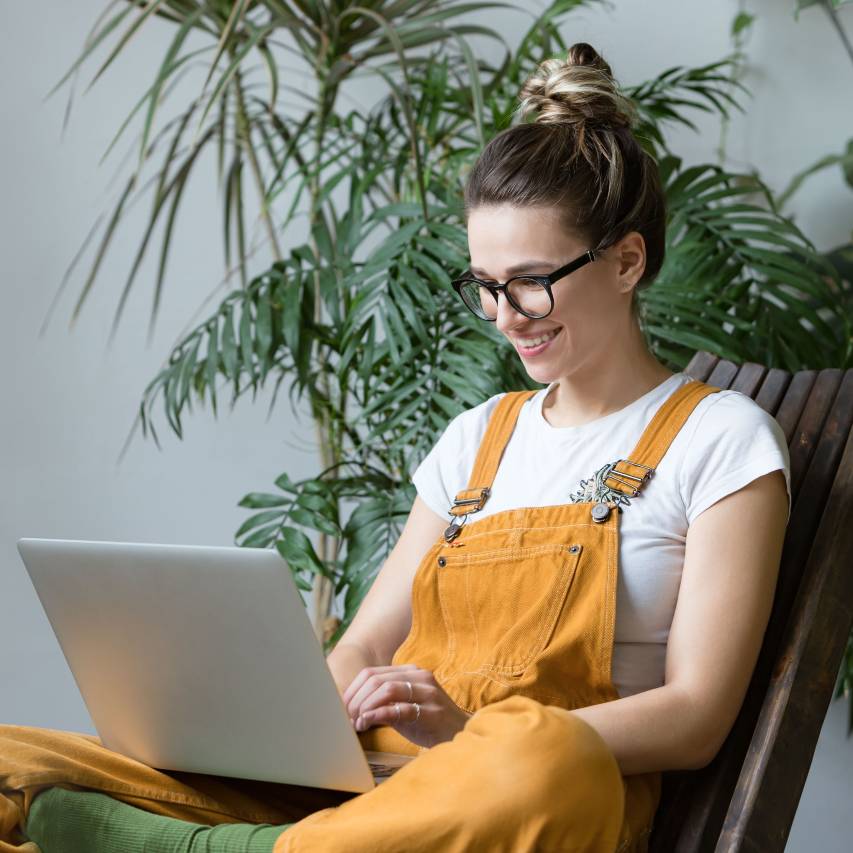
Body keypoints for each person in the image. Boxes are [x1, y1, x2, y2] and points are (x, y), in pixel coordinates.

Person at [1, 42, 790, 853]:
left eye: (528, 280)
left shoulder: (719, 440)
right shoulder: (477, 438)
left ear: (625, 259)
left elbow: (695, 715)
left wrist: (476, 735)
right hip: (380, 789)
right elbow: (367, 645)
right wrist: (285, 740)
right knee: (12, 756)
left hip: (522, 799)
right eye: (483, 284)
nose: (504, 315)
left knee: (548, 756)